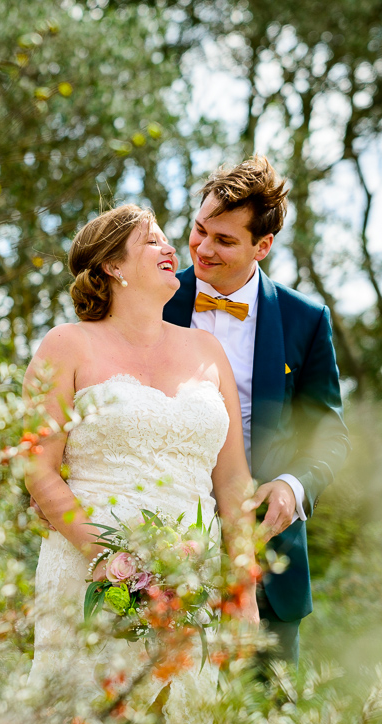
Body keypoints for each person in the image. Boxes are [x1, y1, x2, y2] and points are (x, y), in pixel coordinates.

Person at [24, 204, 255, 695]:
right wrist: (112, 562)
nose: (171, 248)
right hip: (89, 572)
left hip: (192, 582)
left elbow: (234, 479)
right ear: (112, 265)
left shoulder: (209, 351)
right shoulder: (65, 345)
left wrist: (244, 589)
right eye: (152, 240)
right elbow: (40, 470)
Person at [163, 155, 349, 668]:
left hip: (267, 556)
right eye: (200, 230)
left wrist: (293, 486)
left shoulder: (305, 320)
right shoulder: (153, 300)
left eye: (224, 240)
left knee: (265, 711)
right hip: (160, 541)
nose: (203, 248)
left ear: (262, 246)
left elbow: (329, 436)